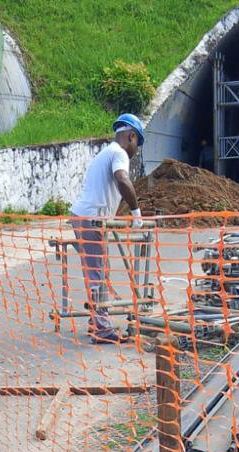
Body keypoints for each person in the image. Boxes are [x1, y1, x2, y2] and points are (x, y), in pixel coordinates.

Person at [68, 113, 145, 344]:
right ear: (131, 136)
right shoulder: (119, 153)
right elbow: (122, 180)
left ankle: (97, 322)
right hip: (91, 218)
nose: (136, 150)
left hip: (89, 216)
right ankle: (101, 329)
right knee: (97, 273)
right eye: (138, 143)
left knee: (101, 270)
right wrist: (136, 213)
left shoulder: (107, 152)